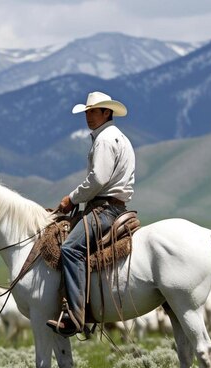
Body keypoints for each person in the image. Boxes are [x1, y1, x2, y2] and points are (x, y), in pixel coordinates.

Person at [46, 91, 136, 337]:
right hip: (113, 206)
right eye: (87, 112)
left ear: (107, 112)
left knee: (70, 249)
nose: (88, 116)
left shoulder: (105, 140)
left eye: (93, 111)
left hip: (105, 209)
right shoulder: (119, 138)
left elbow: (98, 179)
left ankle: (76, 317)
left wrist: (71, 199)